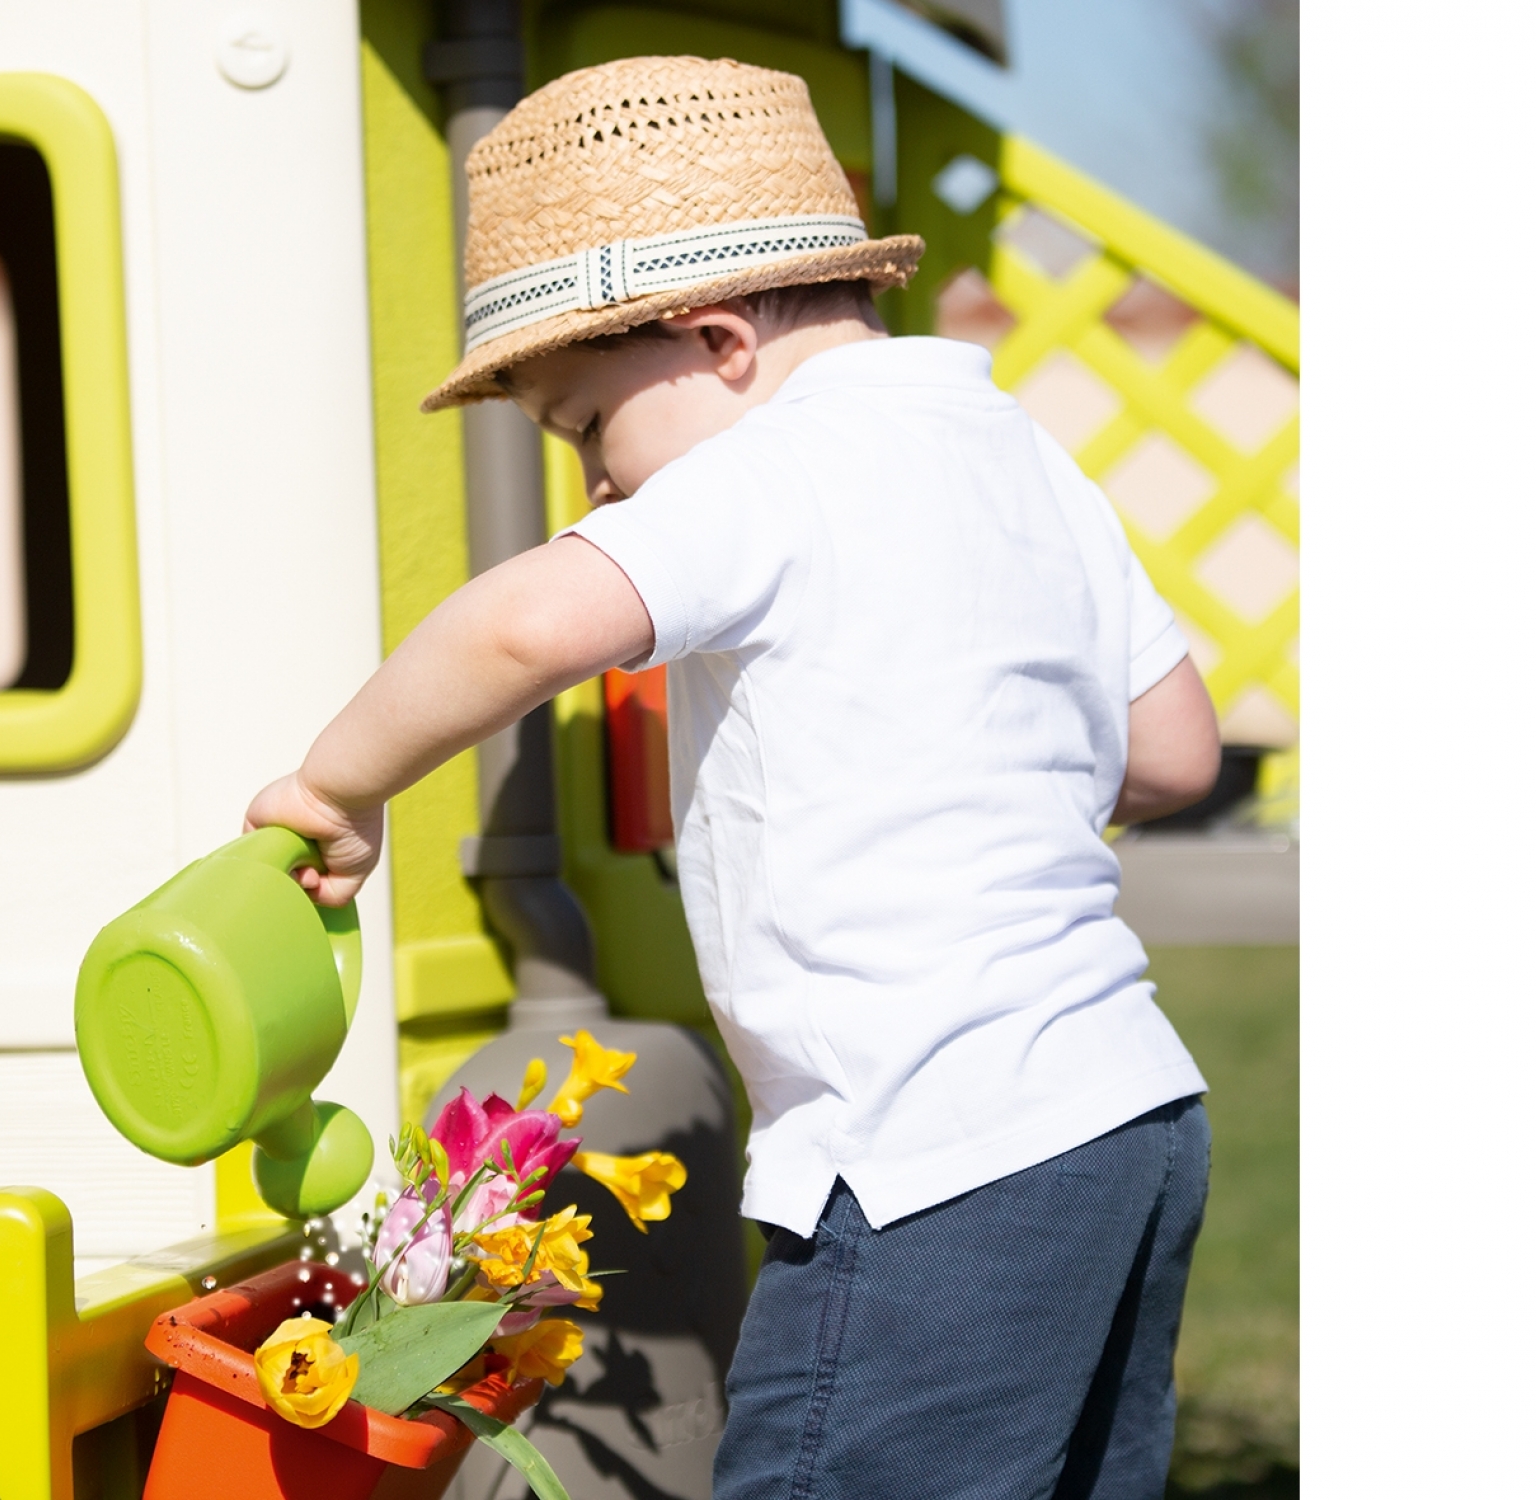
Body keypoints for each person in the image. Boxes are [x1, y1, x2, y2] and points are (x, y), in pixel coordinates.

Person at [246, 55, 1221, 1500]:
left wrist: (339, 788)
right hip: (1131, 1121)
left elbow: (520, 625)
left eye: (585, 426)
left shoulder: (764, 471)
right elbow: (1176, 748)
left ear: (717, 343)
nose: (592, 485)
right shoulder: (1024, 452)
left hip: (927, 1152)